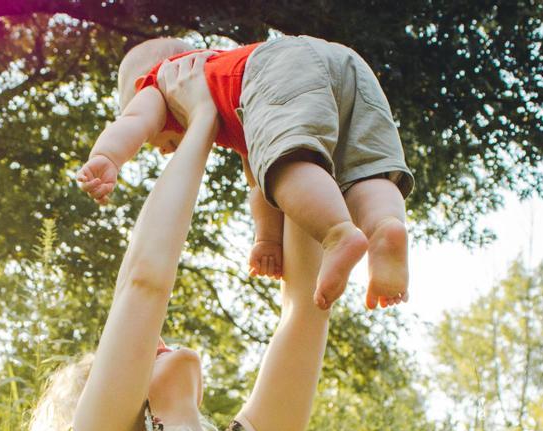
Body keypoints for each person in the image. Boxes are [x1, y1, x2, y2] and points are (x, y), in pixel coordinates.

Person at [19, 54, 330, 431]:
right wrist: (199, 124)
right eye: (141, 352)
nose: (155, 341)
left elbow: (307, 307)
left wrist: (285, 131)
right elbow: (145, 282)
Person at [76, 35, 414, 312]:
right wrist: (267, 240)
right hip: (346, 64)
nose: (162, 148)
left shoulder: (163, 81)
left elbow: (134, 121)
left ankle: (338, 233)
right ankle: (384, 228)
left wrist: (107, 156)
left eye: (155, 142)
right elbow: (260, 184)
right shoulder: (240, 102)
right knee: (364, 170)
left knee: (288, 166)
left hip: (279, 65)